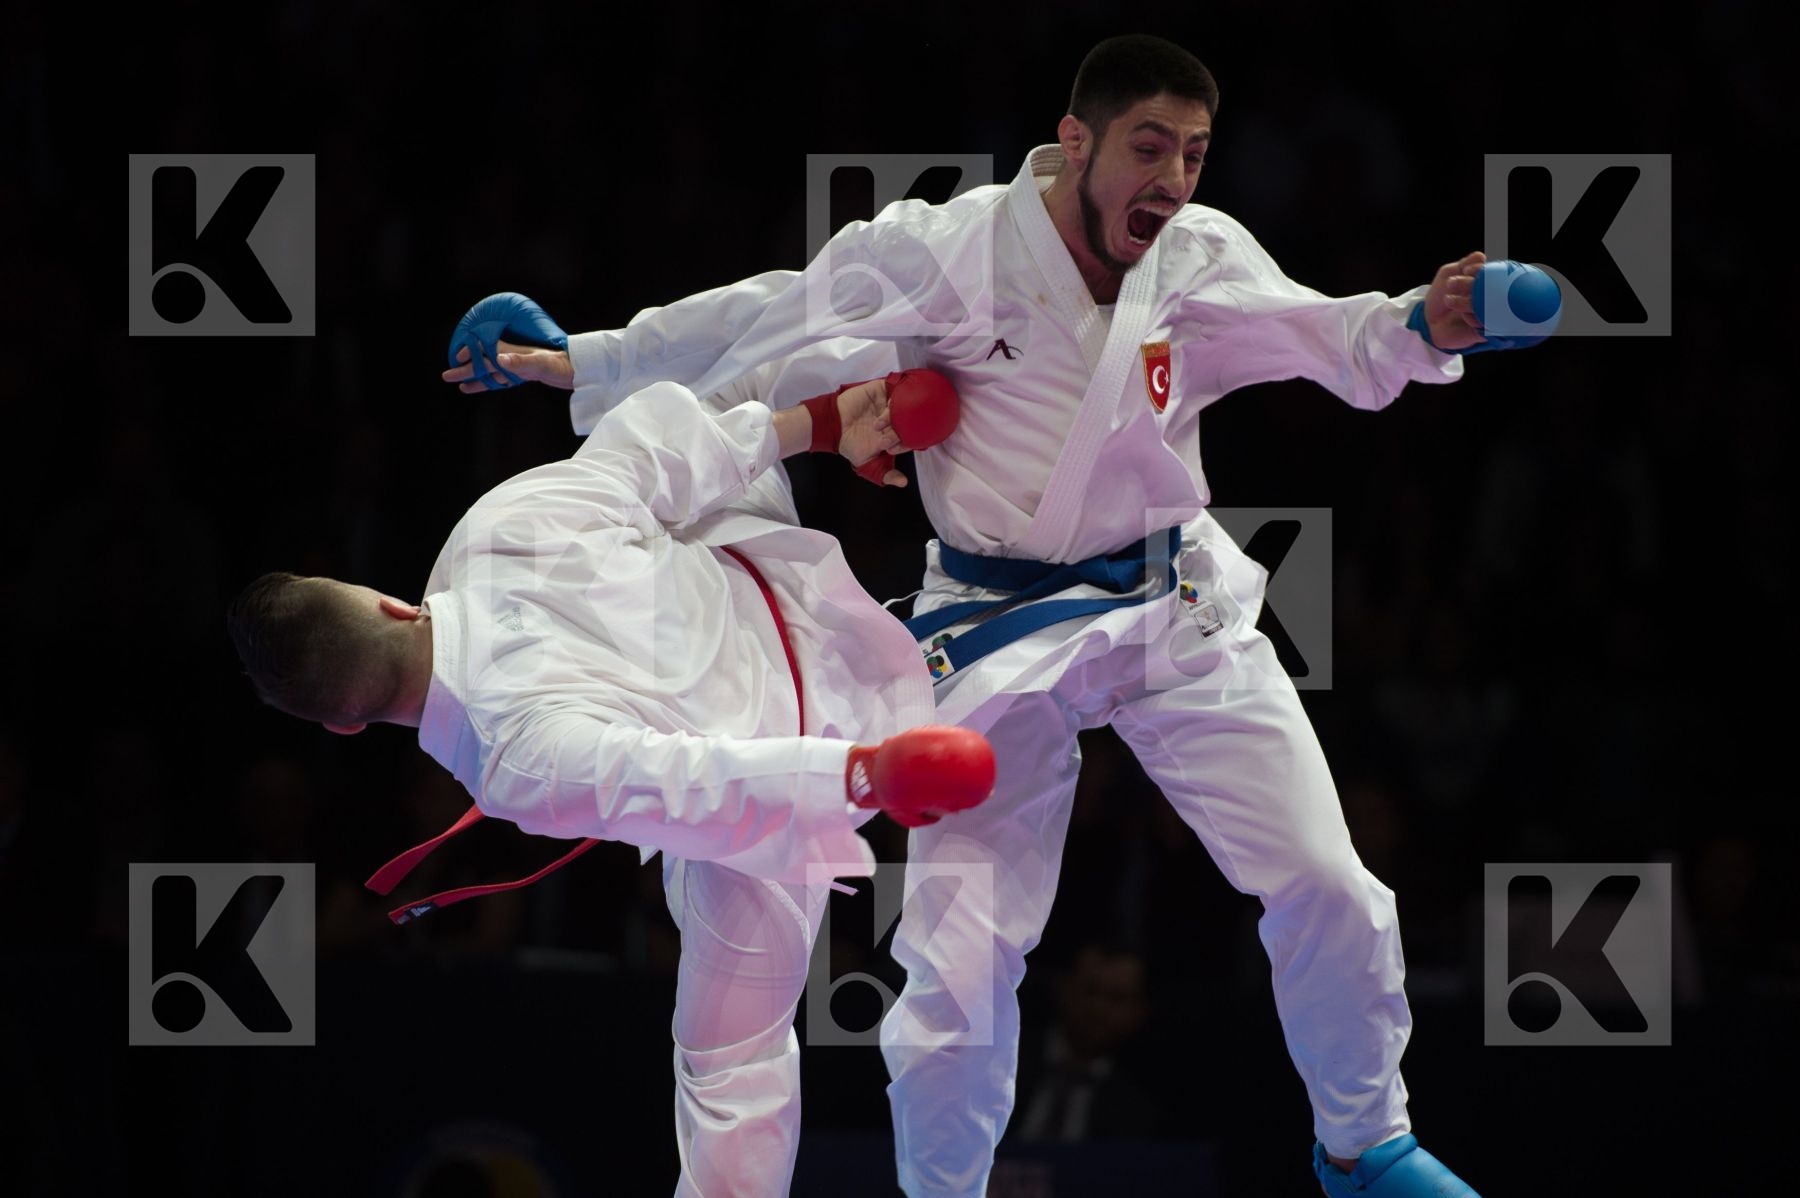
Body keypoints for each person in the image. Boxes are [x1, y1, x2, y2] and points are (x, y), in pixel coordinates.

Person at [444, 34, 1528, 1197]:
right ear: (1075, 143)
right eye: (1148, 147)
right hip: (996, 633)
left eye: (1195, 154)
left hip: (1172, 606)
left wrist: (1426, 324)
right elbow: (774, 318)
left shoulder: (1200, 256)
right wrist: (586, 361)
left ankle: (1368, 1148)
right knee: (956, 964)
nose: (1172, 178)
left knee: (1329, 879)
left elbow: (1334, 334)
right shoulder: (949, 252)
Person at [228, 338, 997, 1197]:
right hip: (773, 556)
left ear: (342, 725)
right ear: (388, 603)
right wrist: (817, 424)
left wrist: (863, 775)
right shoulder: (489, 531)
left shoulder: (510, 761)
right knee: (719, 371)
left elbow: (694, 784)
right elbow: (652, 451)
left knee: (729, 1064)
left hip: (814, 730)